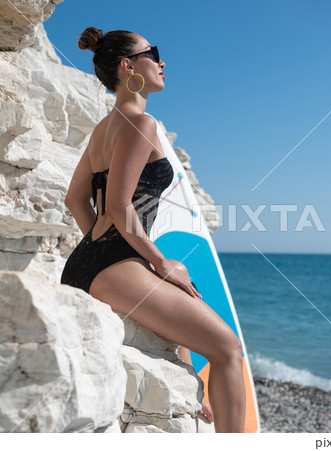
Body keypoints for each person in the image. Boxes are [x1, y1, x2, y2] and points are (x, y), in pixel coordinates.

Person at [60, 27, 245, 432]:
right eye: (153, 54)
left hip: (88, 262)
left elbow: (76, 199)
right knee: (229, 349)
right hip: (114, 262)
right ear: (129, 66)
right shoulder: (141, 123)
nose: (162, 63)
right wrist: (158, 261)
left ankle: (188, 386)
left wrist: (99, 246)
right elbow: (118, 204)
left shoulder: (101, 130)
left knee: (183, 320)